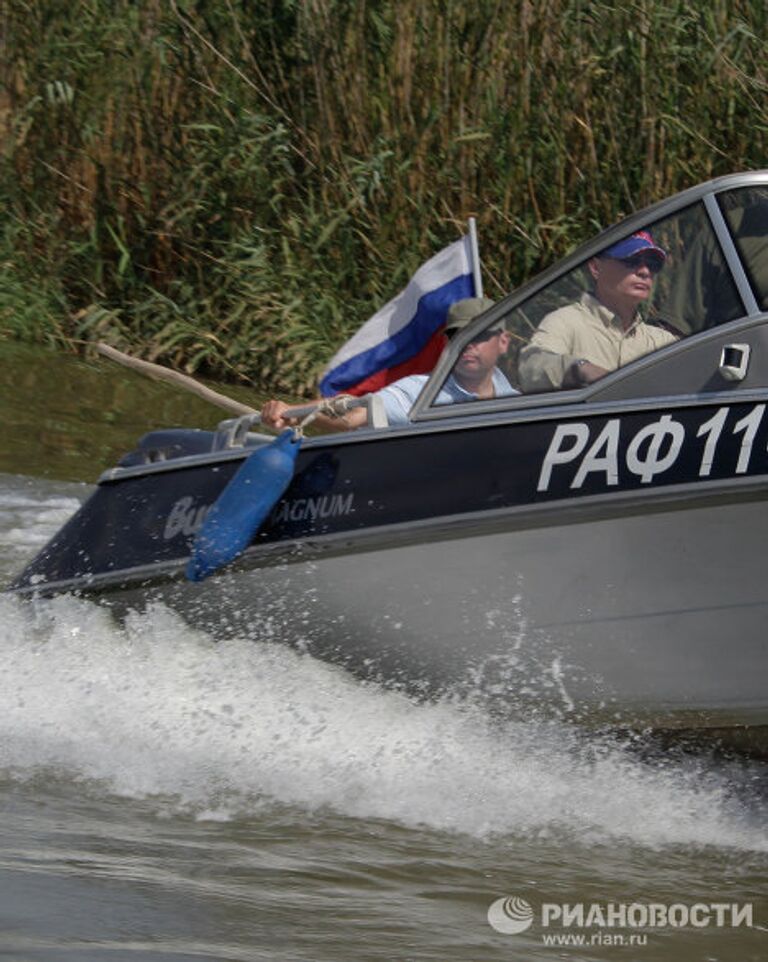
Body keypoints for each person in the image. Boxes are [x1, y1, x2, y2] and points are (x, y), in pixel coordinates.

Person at [260, 297, 518, 431]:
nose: (468, 344)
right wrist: (291, 412)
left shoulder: (518, 402)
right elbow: (353, 414)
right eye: (458, 336)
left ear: (503, 342)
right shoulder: (419, 392)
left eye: (479, 335)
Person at [518, 231, 678, 393]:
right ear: (596, 268)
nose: (645, 272)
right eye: (632, 261)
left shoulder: (661, 341)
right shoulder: (565, 321)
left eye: (652, 264)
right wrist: (579, 370)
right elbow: (531, 368)